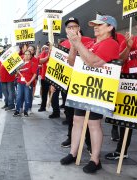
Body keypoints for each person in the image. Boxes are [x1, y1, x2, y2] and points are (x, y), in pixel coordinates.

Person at [60, 14, 119, 174]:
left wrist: (78, 44)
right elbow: (72, 62)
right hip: (83, 89)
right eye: (94, 25)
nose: (95, 27)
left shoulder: (111, 44)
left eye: (100, 25)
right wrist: (74, 45)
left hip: (98, 91)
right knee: (77, 121)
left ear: (110, 27)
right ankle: (73, 153)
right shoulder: (91, 43)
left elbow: (92, 62)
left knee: (94, 124)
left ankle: (95, 159)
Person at [104, 11, 137, 173]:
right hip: (128, 84)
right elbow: (121, 60)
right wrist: (128, 46)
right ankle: (121, 151)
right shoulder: (130, 38)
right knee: (125, 122)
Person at [58, 17, 93, 149]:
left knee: (87, 115)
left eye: (74, 26)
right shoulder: (63, 45)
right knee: (70, 114)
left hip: (85, 84)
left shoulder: (90, 41)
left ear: (79, 28)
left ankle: (89, 142)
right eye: (69, 27)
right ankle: (71, 138)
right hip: (68, 83)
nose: (72, 29)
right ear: (66, 30)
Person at [13, 50, 37, 117]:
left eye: (28, 54)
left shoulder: (32, 64)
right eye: (25, 54)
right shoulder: (20, 64)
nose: (26, 55)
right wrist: (17, 72)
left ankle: (25, 111)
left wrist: (29, 82)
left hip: (28, 84)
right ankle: (17, 110)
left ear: (31, 56)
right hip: (20, 83)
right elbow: (16, 74)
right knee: (18, 97)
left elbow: (35, 75)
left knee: (27, 98)